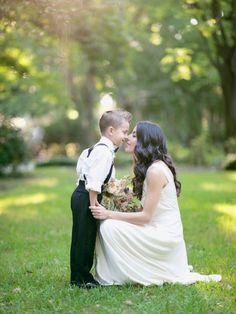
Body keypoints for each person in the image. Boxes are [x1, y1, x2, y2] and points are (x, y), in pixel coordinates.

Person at [90, 121, 221, 286]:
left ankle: (123, 276)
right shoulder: (150, 168)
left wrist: (109, 213)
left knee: (108, 225)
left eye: (134, 135)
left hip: (164, 236)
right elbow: (146, 211)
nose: (127, 138)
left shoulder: (155, 171)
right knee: (109, 223)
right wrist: (122, 203)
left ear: (147, 141)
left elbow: (146, 217)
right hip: (154, 228)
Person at [70, 109, 132, 288]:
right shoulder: (104, 152)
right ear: (111, 131)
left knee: (80, 236)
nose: (126, 137)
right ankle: (81, 278)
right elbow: (94, 181)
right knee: (85, 237)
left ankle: (78, 275)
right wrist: (94, 205)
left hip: (81, 194)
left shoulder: (97, 149)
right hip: (87, 197)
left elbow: (82, 171)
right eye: (124, 132)